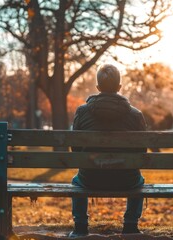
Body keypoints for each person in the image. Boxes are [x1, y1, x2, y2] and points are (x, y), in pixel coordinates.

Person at [69, 64, 147, 237]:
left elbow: (75, 149)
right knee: (139, 181)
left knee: (76, 182)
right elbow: (142, 151)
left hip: (90, 178)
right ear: (119, 88)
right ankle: (130, 226)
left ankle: (80, 227)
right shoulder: (135, 115)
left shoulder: (82, 112)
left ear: (97, 88)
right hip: (127, 179)